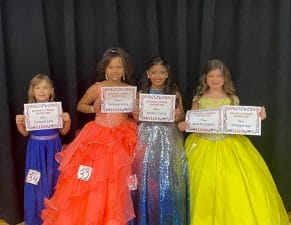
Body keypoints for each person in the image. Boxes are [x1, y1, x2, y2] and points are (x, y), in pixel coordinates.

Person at [178, 59, 291, 225]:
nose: (215, 79)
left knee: (232, 188)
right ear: (205, 78)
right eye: (211, 76)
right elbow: (194, 122)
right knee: (205, 188)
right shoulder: (199, 98)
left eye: (219, 76)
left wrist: (256, 118)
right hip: (203, 145)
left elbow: (238, 125)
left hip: (229, 144)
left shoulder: (232, 99)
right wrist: (184, 125)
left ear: (225, 78)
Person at [41, 47, 137, 225]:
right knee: (95, 182)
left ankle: (113, 218)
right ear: (104, 70)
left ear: (125, 69)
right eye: (111, 67)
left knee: (117, 182)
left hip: (123, 137)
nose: (115, 71)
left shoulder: (130, 89)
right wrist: (94, 108)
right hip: (98, 136)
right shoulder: (98, 88)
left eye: (119, 67)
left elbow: (133, 114)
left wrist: (136, 112)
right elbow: (80, 105)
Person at [130, 57, 188, 225]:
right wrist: (136, 115)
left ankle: (168, 217)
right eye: (154, 72)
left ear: (167, 74)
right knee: (145, 177)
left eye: (162, 72)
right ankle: (146, 216)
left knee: (168, 178)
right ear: (148, 74)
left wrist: (179, 115)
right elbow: (136, 118)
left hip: (169, 139)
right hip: (146, 139)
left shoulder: (174, 94)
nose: (158, 76)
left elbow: (182, 116)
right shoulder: (142, 94)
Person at [15, 74, 71, 225]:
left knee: (55, 179)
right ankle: (36, 218)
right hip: (36, 150)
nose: (41, 91)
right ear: (32, 92)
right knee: (35, 182)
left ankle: (55, 218)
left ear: (51, 91)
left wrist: (67, 120)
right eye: (37, 88)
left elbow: (64, 132)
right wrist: (19, 123)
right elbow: (25, 133)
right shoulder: (29, 110)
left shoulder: (56, 109)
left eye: (45, 88)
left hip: (53, 149)